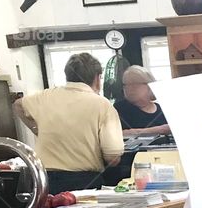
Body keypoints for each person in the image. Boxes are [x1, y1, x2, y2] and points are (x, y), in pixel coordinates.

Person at [14, 53, 123, 194]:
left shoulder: (45, 96)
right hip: (83, 181)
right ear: (97, 78)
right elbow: (113, 157)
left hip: (44, 179)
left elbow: (18, 105)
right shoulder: (102, 105)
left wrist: (37, 129)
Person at [115, 66, 171, 137]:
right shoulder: (119, 109)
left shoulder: (163, 109)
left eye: (135, 84)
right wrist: (160, 130)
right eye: (126, 84)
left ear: (149, 85)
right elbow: (118, 134)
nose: (129, 88)